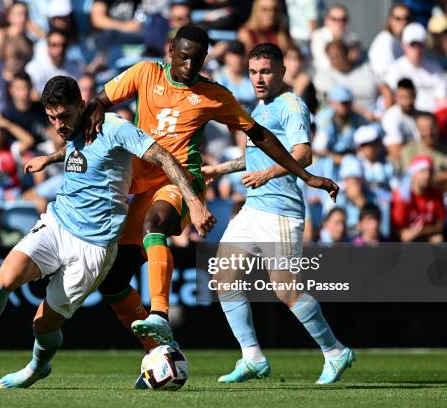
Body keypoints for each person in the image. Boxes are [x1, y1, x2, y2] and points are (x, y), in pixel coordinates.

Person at [0, 75, 214, 389]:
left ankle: (38, 366)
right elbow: (74, 150)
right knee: (2, 281)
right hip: (56, 224)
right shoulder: (73, 129)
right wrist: (49, 158)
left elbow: (163, 157)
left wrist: (194, 204)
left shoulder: (114, 128)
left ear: (81, 106)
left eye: (64, 116)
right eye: (52, 118)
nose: (59, 125)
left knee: (42, 325)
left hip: (94, 248)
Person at [83, 26, 338, 361]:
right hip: (140, 185)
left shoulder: (213, 94)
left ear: (205, 59)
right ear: (171, 50)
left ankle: (160, 315)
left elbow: (259, 136)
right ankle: (162, 352)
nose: (189, 65)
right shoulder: (145, 73)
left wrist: (305, 175)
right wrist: (96, 107)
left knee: (155, 225)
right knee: (113, 281)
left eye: (197, 59)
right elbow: (100, 99)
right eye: (184, 57)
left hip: (182, 182)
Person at [200, 43, 350, 385]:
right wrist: (219, 169)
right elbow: (257, 158)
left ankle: (335, 351)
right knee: (223, 275)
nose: (258, 78)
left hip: (280, 213)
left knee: (286, 290)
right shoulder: (260, 107)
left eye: (265, 71)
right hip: (255, 208)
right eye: (253, 72)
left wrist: (267, 175)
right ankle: (252, 357)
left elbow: (303, 154)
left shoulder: (291, 105)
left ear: (282, 71)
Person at [383, 23, 446, 113]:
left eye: (420, 45)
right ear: (403, 46)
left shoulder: (435, 68)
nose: (417, 50)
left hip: (432, 120)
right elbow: (393, 101)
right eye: (412, 45)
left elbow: (442, 99)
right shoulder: (395, 70)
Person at [313, 40, 380, 118]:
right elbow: (335, 104)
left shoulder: (365, 68)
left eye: (338, 55)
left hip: (375, 111)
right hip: (348, 118)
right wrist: (364, 113)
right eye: (331, 57)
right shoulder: (323, 77)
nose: (335, 60)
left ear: (347, 54)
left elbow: (384, 89)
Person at [391, 155, 444, 242]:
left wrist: (420, 231)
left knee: (438, 239)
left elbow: (440, 225)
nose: (427, 176)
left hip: (425, 235)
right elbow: (397, 230)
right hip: (405, 240)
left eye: (430, 172)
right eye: (422, 171)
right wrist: (410, 234)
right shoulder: (402, 196)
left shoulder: (436, 195)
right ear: (413, 174)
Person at [312, 85, 367, 164]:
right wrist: (341, 159)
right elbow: (319, 149)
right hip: (326, 160)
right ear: (332, 103)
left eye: (348, 103)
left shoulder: (358, 119)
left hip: (352, 158)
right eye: (342, 103)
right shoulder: (323, 119)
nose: (345, 106)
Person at [25, 29, 84, 96]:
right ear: (48, 47)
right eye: (54, 45)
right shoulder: (33, 69)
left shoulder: (76, 68)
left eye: (63, 45)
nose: (60, 49)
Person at [2, 71, 48, 145]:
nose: (24, 92)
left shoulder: (42, 108)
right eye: (19, 88)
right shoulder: (6, 115)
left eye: (27, 87)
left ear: (31, 87)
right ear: (11, 90)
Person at [381, 78, 419, 164]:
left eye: (410, 97)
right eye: (402, 97)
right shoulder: (390, 117)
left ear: (415, 96)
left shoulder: (422, 116)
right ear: (396, 97)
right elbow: (395, 152)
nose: (407, 101)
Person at [368, 3, 412, 78]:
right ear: (390, 20)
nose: (403, 22)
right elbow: (385, 75)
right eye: (398, 18)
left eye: (406, 18)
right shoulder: (384, 41)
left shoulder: (403, 41)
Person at [310, 4, 358, 71]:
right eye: (335, 19)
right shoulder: (318, 36)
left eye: (343, 19)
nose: (340, 23)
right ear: (326, 21)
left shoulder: (352, 37)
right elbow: (323, 64)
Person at [213, 40, 257, 112]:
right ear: (225, 57)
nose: (237, 59)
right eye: (233, 55)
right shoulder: (217, 76)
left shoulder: (252, 77)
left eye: (240, 55)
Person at [283, 45, 317, 113]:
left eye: (298, 59)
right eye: (291, 59)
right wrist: (297, 91)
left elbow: (312, 108)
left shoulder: (307, 84)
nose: (295, 63)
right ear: (284, 60)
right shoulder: (275, 83)